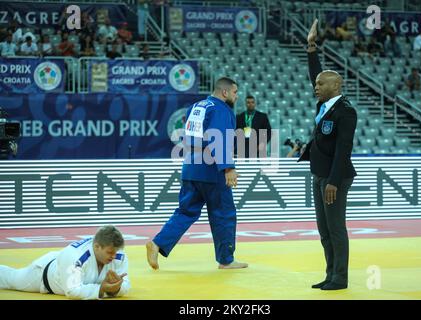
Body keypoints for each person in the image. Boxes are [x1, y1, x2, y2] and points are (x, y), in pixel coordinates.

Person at [145, 77, 248, 271]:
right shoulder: (220, 108)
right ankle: (226, 260)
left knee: (186, 211)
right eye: (235, 92)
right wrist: (228, 167)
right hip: (211, 169)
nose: (237, 96)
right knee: (224, 214)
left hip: (191, 166)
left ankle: (157, 243)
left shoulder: (197, 106)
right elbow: (217, 136)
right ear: (225, 92)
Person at [298, 19, 357, 291]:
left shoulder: (346, 111)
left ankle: (340, 278)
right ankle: (330, 273)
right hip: (319, 174)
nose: (316, 86)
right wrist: (311, 47)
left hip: (336, 177)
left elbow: (344, 151)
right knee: (323, 230)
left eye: (321, 84)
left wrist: (333, 181)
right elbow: (314, 74)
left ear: (336, 86)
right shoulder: (324, 103)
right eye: (317, 83)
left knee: (335, 228)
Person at [0, 225, 130, 299]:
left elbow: (126, 286)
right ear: (96, 246)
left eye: (115, 252)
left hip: (64, 265)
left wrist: (116, 289)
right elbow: (73, 291)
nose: (113, 256)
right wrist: (102, 289)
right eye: (109, 252)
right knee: (11, 279)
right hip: (42, 275)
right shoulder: (76, 257)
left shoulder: (119, 255)